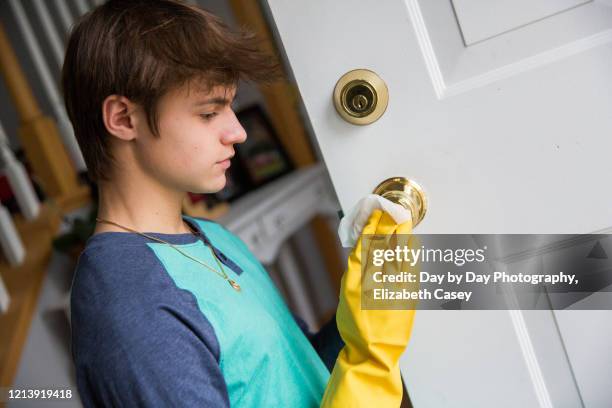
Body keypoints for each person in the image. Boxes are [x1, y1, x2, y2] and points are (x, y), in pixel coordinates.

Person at [64, 1, 416, 407]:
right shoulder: (128, 301)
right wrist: (369, 360)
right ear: (124, 119)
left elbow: (299, 378)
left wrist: (367, 301)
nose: (238, 131)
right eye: (210, 112)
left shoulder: (209, 235)